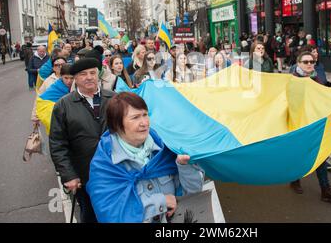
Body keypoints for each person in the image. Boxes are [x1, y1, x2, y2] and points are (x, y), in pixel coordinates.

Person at [86, 92, 204, 223]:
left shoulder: (167, 148)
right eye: (135, 117)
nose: (144, 123)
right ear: (117, 124)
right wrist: (160, 202)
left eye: (145, 115)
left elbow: (194, 193)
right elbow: (110, 214)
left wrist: (184, 166)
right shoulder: (105, 165)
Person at [49, 58, 116, 223]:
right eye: (83, 74)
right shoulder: (63, 106)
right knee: (90, 215)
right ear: (75, 79)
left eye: (93, 73)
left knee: (117, 213)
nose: (89, 77)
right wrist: (69, 175)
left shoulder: (114, 99)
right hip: (85, 176)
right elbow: (58, 145)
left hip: (115, 171)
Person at [288, 51, 331, 202]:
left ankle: (325, 189)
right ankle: (295, 180)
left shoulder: (316, 76)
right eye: (305, 62)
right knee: (299, 155)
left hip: (315, 122)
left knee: (320, 155)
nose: (310, 64)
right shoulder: (293, 80)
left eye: (312, 62)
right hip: (298, 124)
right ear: (298, 64)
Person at [31, 57, 67, 125]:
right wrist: (35, 115)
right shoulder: (48, 81)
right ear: (53, 68)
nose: (60, 66)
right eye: (57, 65)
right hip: (53, 115)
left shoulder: (73, 79)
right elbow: (39, 98)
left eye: (63, 64)